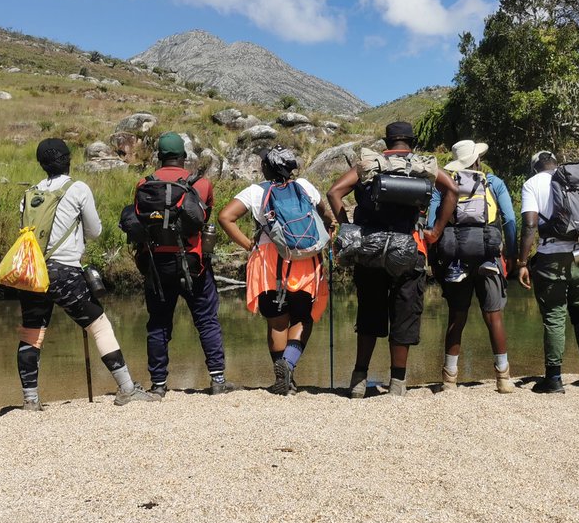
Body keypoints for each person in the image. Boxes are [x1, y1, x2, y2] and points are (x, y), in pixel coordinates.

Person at [14, 139, 150, 409]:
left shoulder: (29, 194)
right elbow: (95, 231)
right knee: (98, 326)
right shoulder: (78, 189)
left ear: (42, 164)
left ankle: (30, 400)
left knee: (32, 332)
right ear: (68, 160)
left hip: (33, 274)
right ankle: (126, 388)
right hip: (65, 272)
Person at [327, 121, 457, 398]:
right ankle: (397, 384)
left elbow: (334, 191)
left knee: (369, 312)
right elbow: (453, 191)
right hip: (409, 249)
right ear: (412, 141)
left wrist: (346, 226)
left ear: (386, 142)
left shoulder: (368, 163)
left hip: (369, 250)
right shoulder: (423, 165)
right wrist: (435, 230)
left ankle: (359, 380)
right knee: (405, 314)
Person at [216, 146, 333, 395]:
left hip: (269, 263)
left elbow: (225, 217)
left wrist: (250, 245)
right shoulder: (305, 186)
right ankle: (288, 364)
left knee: (277, 323)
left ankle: (283, 379)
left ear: (266, 168)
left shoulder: (256, 191)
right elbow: (327, 217)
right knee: (302, 318)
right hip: (306, 261)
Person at [136, 132, 235, 396]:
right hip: (193, 264)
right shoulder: (201, 184)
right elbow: (204, 216)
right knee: (206, 320)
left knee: (158, 323)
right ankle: (217, 380)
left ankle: (158, 385)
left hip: (156, 266)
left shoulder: (142, 184)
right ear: (183, 156)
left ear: (159, 156)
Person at [425, 139, 517, 393]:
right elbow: (509, 220)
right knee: (493, 316)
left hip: (455, 256)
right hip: (488, 255)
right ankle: (503, 378)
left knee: (457, 315)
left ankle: (449, 379)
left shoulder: (443, 186)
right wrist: (511, 254)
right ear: (477, 160)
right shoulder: (493, 183)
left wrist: (434, 260)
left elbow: (432, 225)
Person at [518, 151, 579, 392]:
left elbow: (530, 224)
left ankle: (554, 378)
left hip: (551, 258)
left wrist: (522, 262)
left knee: (555, 316)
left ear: (535, 167)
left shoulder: (532, 184)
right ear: (556, 164)